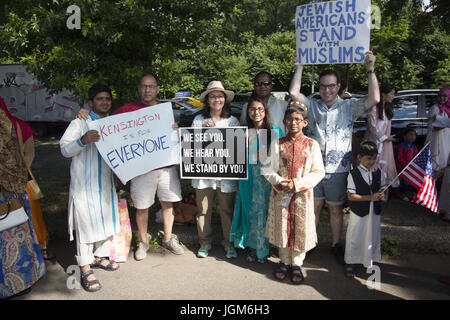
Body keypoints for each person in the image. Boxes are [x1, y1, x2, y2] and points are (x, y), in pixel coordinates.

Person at [77, 74, 184, 260]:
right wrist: (85, 114)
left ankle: (168, 238)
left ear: (157, 89)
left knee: (168, 204)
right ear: (139, 89)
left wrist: (175, 129)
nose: (147, 90)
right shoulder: (127, 110)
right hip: (142, 169)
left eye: (151, 87)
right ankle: (143, 242)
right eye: (144, 86)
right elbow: (105, 125)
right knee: (142, 207)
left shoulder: (165, 110)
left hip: (166, 167)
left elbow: (172, 135)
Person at [289, 51, 380, 264]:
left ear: (338, 86)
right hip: (314, 169)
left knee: (336, 209)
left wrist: (370, 69)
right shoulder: (312, 105)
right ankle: (310, 244)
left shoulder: (349, 106)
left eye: (331, 86)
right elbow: (294, 92)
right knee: (314, 208)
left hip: (339, 169)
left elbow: (375, 98)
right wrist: (300, 66)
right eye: (322, 86)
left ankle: (336, 245)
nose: (326, 90)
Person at [60, 84, 121, 292]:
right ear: (91, 103)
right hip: (84, 185)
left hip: (105, 182)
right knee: (85, 224)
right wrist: (82, 140)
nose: (104, 102)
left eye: (107, 99)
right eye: (100, 99)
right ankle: (85, 266)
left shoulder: (113, 123)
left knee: (105, 220)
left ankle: (98, 257)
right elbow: (64, 149)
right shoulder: (80, 122)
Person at [264, 103, 324, 284]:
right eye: (289, 119)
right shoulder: (277, 143)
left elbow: (318, 172)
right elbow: (267, 169)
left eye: (297, 119)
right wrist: (282, 183)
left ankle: (297, 263)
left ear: (305, 122)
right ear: (284, 122)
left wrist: (297, 184)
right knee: (282, 228)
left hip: (302, 196)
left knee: (300, 229)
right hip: (280, 194)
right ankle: (284, 261)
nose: (293, 123)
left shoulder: (312, 145)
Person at [0, 97, 46, 298]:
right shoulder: (14, 125)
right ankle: (27, 276)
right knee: (20, 231)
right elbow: (27, 155)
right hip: (17, 188)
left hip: (7, 193)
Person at [229, 95, 283, 263]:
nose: (256, 112)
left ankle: (265, 247)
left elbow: (279, 159)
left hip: (267, 180)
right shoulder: (243, 132)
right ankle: (253, 247)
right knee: (250, 211)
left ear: (265, 111)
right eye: (252, 109)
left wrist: (266, 157)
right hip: (248, 179)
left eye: (260, 109)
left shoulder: (275, 131)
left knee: (266, 212)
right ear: (248, 111)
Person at [0, 98, 54, 260]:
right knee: (29, 216)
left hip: (19, 179)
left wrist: (16, 172)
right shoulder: (19, 125)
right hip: (21, 179)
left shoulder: (18, 126)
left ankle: (37, 250)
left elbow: (28, 154)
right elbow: (29, 153)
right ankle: (39, 250)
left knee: (25, 215)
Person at [191, 80, 240, 259]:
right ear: (208, 99)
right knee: (203, 210)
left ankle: (229, 243)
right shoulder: (198, 120)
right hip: (204, 176)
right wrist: (200, 131)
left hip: (225, 177)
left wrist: (225, 170)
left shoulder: (232, 121)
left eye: (220, 96)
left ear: (225, 100)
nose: (217, 99)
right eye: (213, 96)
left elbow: (237, 149)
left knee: (227, 210)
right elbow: (191, 147)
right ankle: (204, 242)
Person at [344, 141, 387, 278]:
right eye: (368, 158)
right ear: (359, 157)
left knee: (372, 235)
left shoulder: (379, 173)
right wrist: (370, 197)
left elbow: (382, 190)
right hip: (359, 212)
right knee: (355, 235)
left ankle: (369, 259)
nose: (371, 161)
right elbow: (351, 196)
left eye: (374, 158)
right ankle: (350, 261)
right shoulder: (353, 174)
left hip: (374, 212)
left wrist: (381, 194)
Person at [364, 84, 399, 193]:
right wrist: (384, 138)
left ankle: (381, 194)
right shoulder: (374, 108)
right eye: (392, 94)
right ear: (383, 94)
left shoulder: (386, 108)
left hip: (384, 144)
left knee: (383, 167)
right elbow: (372, 126)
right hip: (374, 142)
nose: (393, 96)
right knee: (372, 165)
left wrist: (386, 139)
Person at [426, 86, 450, 180]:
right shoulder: (435, 108)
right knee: (437, 163)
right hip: (437, 139)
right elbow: (430, 125)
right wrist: (438, 126)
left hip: (447, 139)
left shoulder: (448, 109)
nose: (442, 98)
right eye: (440, 96)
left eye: (445, 96)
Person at [396, 128, 418, 201]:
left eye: (414, 135)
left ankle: (410, 193)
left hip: (410, 168)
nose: (412, 136)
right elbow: (399, 157)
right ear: (405, 136)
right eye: (410, 134)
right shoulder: (401, 146)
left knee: (410, 180)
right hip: (402, 167)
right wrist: (405, 164)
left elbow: (415, 157)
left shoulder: (414, 147)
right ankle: (401, 193)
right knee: (402, 181)